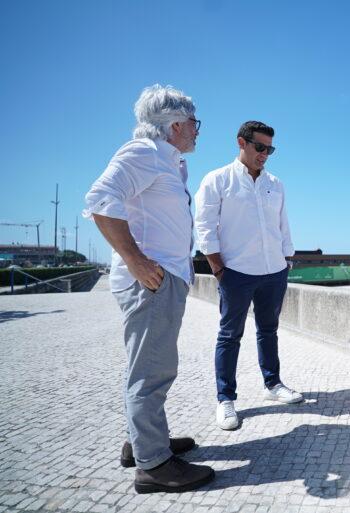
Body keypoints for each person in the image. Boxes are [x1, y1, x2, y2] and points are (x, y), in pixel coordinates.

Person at [83, 85, 214, 493]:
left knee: (147, 367)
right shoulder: (143, 153)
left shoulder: (168, 161)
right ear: (175, 125)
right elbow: (101, 199)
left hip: (163, 280)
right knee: (152, 372)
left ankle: (141, 443)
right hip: (151, 284)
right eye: (194, 123)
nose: (197, 131)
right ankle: (154, 465)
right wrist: (137, 262)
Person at [195, 121, 302, 432]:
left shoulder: (275, 184)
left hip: (274, 271)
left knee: (269, 331)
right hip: (236, 273)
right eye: (260, 147)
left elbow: (283, 226)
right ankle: (225, 399)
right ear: (241, 142)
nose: (265, 154)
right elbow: (204, 227)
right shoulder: (217, 180)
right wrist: (218, 269)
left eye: (270, 149)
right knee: (230, 336)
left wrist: (286, 261)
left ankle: (273, 385)